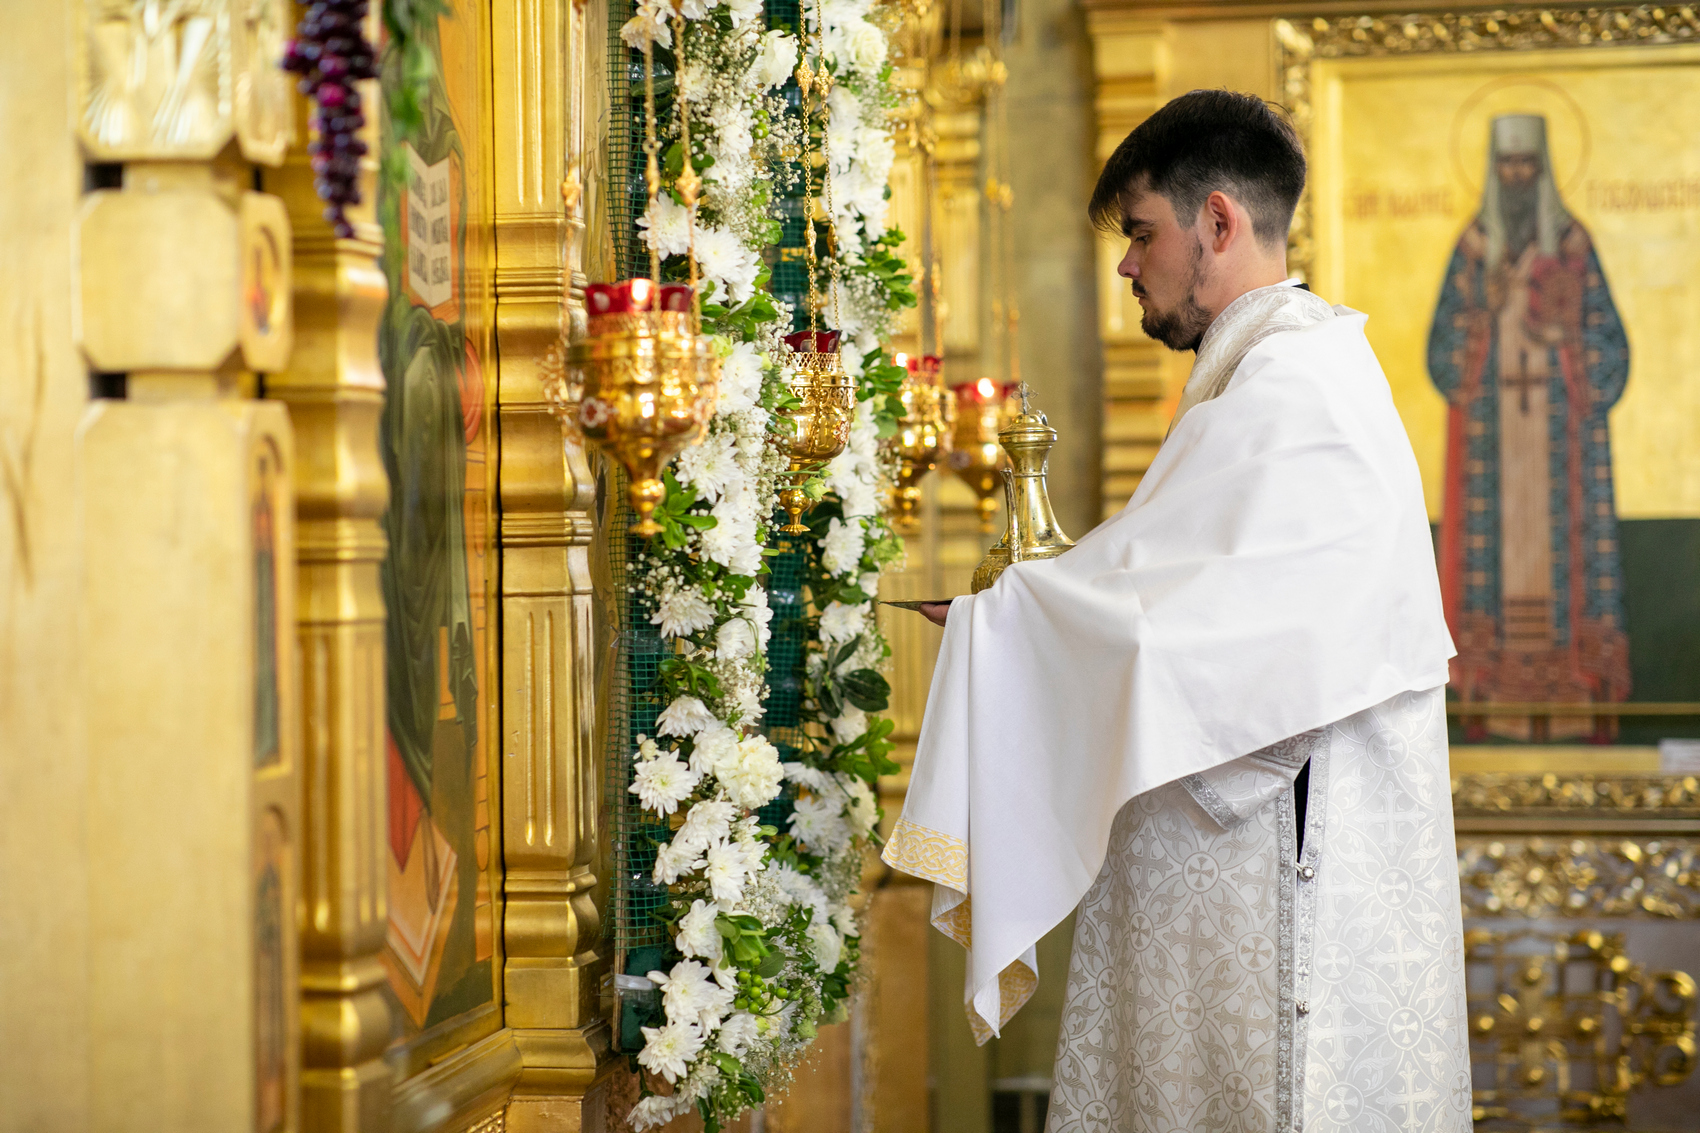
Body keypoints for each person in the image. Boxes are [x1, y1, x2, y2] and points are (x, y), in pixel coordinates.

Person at [885, 90, 1470, 1132]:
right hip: (1250, 858)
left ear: (1216, 222)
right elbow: (1172, 588)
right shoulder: (1272, 377)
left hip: (1278, 869)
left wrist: (1007, 625)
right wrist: (1022, 617)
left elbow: (1191, 634)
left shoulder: (1293, 387)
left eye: (1140, 234)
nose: (1125, 266)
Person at [1428, 114, 1630, 741]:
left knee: (1559, 559)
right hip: (1495, 446)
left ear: (1542, 169)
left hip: (1558, 445)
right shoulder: (1473, 248)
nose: (1516, 175)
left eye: (1527, 164)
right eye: (1506, 164)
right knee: (1500, 561)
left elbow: (1610, 347)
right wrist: (1482, 318)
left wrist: (1567, 335)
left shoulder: (1572, 245)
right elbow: (1442, 350)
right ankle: (1495, 703)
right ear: (1493, 169)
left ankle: (1574, 698)